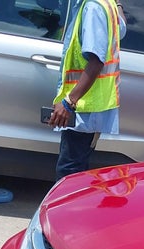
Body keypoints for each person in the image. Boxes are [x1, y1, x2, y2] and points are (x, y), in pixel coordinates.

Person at [47, 0, 126, 180]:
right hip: (92, 106)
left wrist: (68, 102)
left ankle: (67, 209)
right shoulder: (107, 4)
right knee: (77, 170)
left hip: (83, 108)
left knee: (69, 173)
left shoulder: (92, 7)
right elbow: (122, 29)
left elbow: (96, 61)